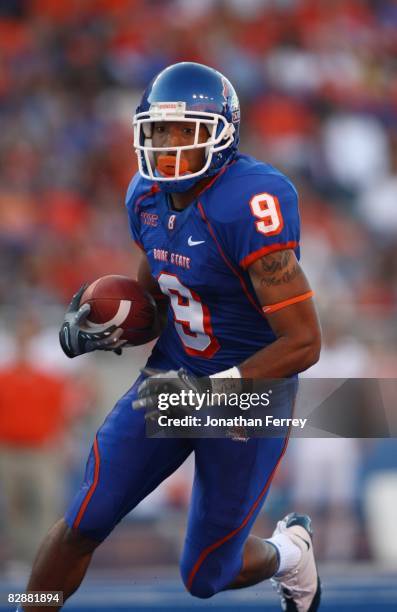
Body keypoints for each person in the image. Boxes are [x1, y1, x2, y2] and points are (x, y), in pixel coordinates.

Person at [21, 62, 322, 612]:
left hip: (247, 394)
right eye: (160, 130)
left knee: (207, 574)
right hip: (171, 377)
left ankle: (289, 552)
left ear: (222, 132)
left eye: (187, 130)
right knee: (84, 521)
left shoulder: (252, 201)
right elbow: (158, 293)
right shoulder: (145, 195)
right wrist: (117, 323)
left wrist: (218, 392)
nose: (169, 144)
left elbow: (304, 343)